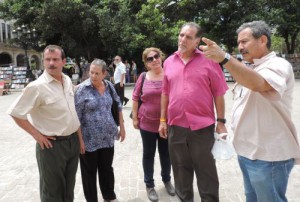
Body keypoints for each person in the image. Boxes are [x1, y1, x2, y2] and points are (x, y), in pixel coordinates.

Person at [199, 20, 300, 202]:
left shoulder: (278, 65)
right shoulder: (251, 67)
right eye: (238, 43)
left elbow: (258, 83)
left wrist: (225, 58)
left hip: (268, 157)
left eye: (244, 41)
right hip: (248, 154)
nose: (240, 47)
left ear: (262, 40)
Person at [159, 22, 228, 202]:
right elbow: (165, 93)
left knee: (206, 172)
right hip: (175, 126)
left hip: (202, 127)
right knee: (181, 171)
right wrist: (162, 120)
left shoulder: (210, 60)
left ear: (197, 41)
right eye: (181, 35)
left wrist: (221, 122)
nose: (183, 39)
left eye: (189, 37)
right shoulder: (168, 62)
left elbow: (219, 92)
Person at [7, 45, 81, 202]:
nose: (51, 63)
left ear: (63, 61)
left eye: (55, 59)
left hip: (72, 142)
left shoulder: (67, 80)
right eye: (47, 59)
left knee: (69, 187)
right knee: (52, 191)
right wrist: (37, 135)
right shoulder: (36, 87)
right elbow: (16, 113)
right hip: (52, 146)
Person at [75, 59, 125, 202]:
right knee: (89, 173)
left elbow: (118, 105)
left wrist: (122, 128)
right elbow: (76, 118)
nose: (93, 76)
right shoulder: (82, 90)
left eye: (97, 73)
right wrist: (80, 141)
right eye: (91, 72)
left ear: (104, 73)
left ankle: (109, 196)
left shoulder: (109, 86)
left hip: (108, 137)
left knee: (107, 169)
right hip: (88, 140)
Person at [132, 47, 175, 201]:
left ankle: (167, 180)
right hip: (147, 123)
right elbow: (136, 97)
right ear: (147, 63)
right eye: (150, 59)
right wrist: (135, 119)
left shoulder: (169, 75)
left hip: (166, 123)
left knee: (166, 154)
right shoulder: (143, 77)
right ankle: (149, 184)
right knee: (148, 154)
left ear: (161, 57)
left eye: (156, 56)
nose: (154, 60)